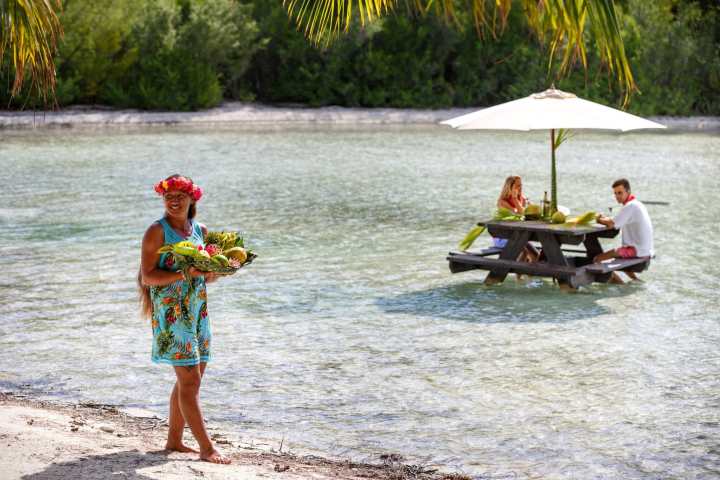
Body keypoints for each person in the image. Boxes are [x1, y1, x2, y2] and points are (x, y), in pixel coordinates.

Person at [138, 174, 230, 464]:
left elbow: (207, 277)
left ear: (193, 199)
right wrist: (184, 274)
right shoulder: (157, 231)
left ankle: (174, 441)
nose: (174, 201)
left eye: (180, 195)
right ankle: (207, 447)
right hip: (172, 314)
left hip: (198, 312)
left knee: (191, 379)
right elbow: (148, 277)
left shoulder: (200, 230)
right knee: (189, 380)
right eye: (169, 196)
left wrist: (215, 271)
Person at [595, 178, 654, 284]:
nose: (617, 196)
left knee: (597, 259)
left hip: (636, 251)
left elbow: (611, 224)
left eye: (620, 193)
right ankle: (635, 280)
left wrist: (598, 219)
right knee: (619, 256)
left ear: (628, 191)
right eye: (615, 193)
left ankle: (620, 285)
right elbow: (616, 220)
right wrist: (606, 219)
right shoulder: (637, 204)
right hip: (644, 250)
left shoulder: (630, 206)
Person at [493, 176, 539, 263]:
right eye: (517, 186)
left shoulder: (522, 199)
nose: (520, 188)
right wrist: (514, 199)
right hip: (504, 237)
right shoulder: (502, 202)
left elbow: (532, 213)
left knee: (535, 255)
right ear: (509, 187)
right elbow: (520, 213)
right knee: (525, 252)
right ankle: (520, 275)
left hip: (518, 235)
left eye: (521, 185)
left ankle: (528, 275)